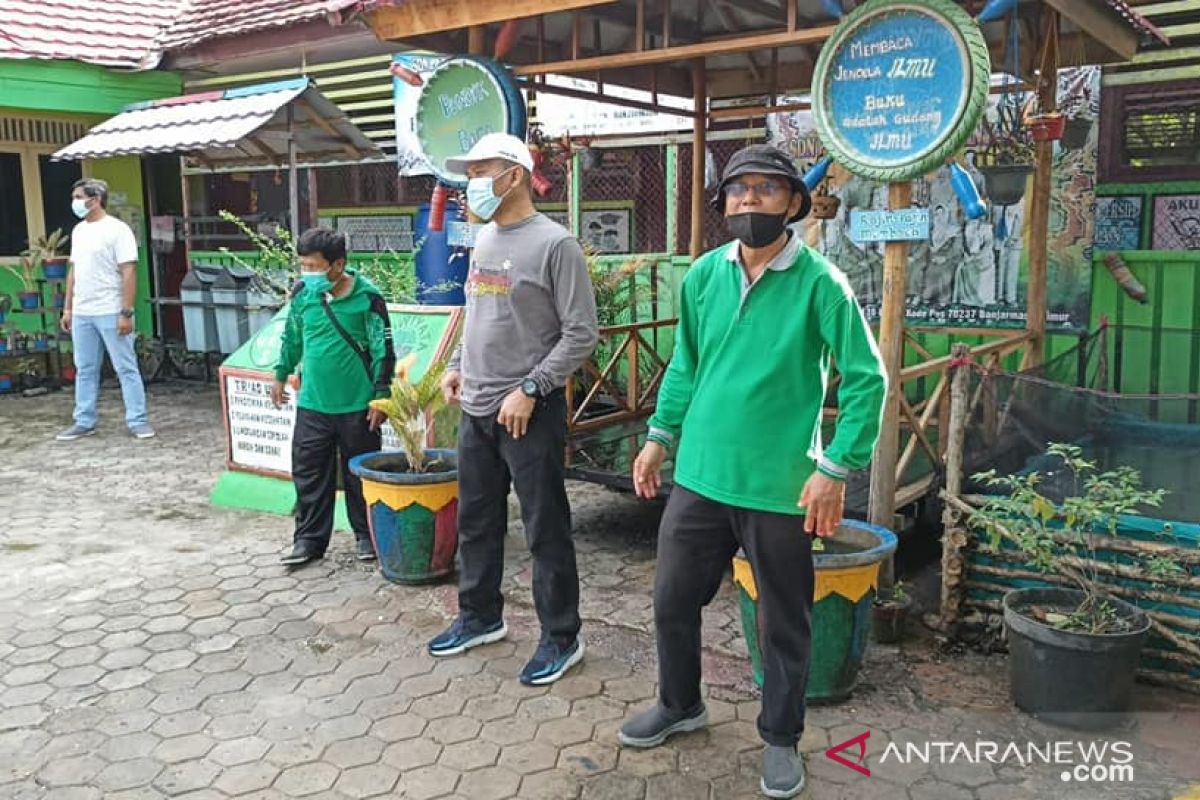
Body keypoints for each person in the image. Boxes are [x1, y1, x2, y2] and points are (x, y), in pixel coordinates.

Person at [617, 145, 887, 799]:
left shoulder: (822, 283)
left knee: (783, 622)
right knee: (673, 601)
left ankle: (781, 739)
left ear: (793, 204)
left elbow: (866, 381)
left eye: (766, 190)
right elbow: (685, 365)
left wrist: (835, 467)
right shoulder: (704, 276)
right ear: (724, 204)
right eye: (739, 190)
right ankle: (680, 704)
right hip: (701, 478)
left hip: (782, 487)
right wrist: (658, 437)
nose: (750, 201)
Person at [426, 132, 599, 687]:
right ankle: (480, 616)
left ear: (516, 175)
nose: (471, 183)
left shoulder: (555, 245)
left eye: (482, 171)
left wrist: (532, 387)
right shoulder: (484, 241)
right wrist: (457, 363)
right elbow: (475, 311)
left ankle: (560, 637)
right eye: (470, 173)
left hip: (528, 410)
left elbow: (582, 334)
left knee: (546, 528)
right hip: (477, 406)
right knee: (477, 521)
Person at [272, 228, 396, 567]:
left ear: (338, 264)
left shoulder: (368, 298)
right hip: (313, 404)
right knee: (309, 474)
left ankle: (366, 535)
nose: (307, 274)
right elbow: (292, 335)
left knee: (361, 476)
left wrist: (381, 395)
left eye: (314, 266)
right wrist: (281, 374)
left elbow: (383, 349)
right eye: (303, 266)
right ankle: (309, 541)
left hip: (358, 407)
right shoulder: (302, 294)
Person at [56, 179, 154, 441]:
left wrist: (126, 312)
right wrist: (68, 308)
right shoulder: (78, 231)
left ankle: (138, 420)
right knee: (85, 368)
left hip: (110, 309)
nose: (75, 202)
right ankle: (84, 420)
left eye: (79, 196)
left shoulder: (117, 230)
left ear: (95, 198)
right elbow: (73, 271)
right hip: (82, 311)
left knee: (125, 366)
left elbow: (129, 271)